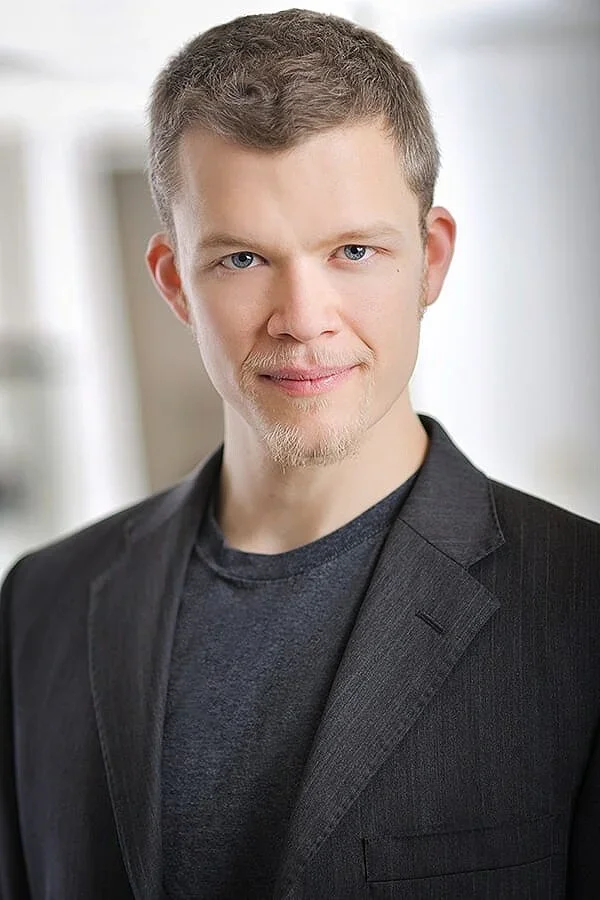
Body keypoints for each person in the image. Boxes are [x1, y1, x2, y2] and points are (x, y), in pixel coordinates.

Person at [1, 8, 598, 899]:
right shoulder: (38, 605)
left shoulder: (583, 605)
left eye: (354, 250)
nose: (303, 320)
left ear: (430, 260)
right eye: (243, 259)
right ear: (174, 282)